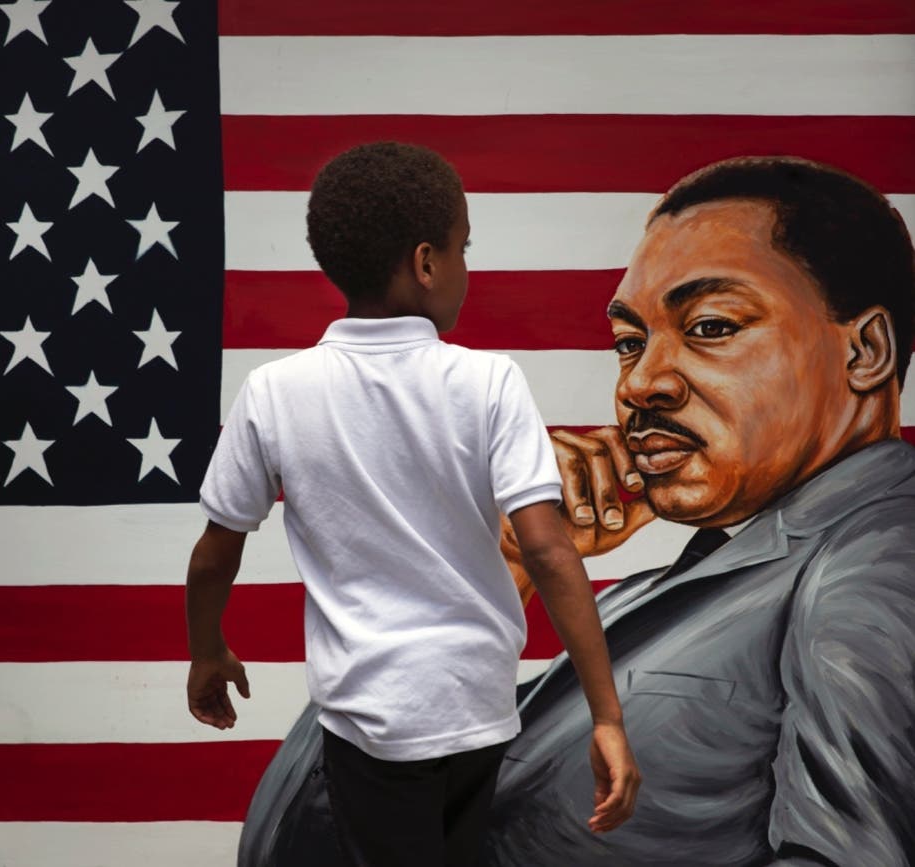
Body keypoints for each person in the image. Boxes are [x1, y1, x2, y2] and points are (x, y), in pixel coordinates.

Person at [239, 155, 915, 867]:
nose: (642, 382)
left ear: (866, 351)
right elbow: (313, 836)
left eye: (712, 326)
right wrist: (493, 560)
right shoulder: (683, 586)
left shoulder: (876, 558)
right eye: (630, 341)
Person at [185, 141, 641, 866]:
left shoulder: (275, 391)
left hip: (371, 717)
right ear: (427, 263)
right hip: (478, 708)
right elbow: (550, 551)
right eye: (464, 248)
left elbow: (216, 552)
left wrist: (207, 648)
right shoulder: (489, 381)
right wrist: (607, 715)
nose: (467, 268)